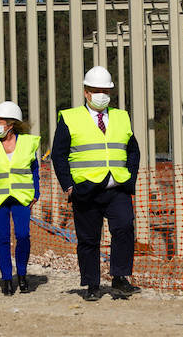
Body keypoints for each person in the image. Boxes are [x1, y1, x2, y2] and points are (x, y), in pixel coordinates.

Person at [51, 66, 141, 302]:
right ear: (86, 93)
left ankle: (120, 278)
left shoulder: (122, 117)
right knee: (89, 239)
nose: (102, 95)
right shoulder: (70, 118)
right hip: (86, 189)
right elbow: (58, 155)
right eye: (97, 90)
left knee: (124, 228)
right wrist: (68, 185)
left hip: (117, 187)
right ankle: (92, 284)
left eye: (106, 90)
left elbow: (133, 151)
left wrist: (129, 176)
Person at [0, 101, 39, 295]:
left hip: (21, 196)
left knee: (22, 235)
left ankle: (22, 274)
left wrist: (36, 192)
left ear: (11, 124)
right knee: (2, 239)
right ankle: (7, 279)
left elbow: (34, 169)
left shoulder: (28, 143)